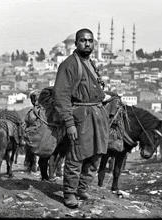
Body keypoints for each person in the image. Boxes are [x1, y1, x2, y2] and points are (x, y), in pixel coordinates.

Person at [53, 28, 109, 208]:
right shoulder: (69, 65)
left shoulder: (91, 64)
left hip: (97, 115)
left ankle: (82, 187)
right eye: (83, 40)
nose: (87, 44)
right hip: (81, 117)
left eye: (90, 41)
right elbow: (61, 95)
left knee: (96, 154)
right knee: (77, 156)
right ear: (76, 43)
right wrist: (69, 123)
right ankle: (69, 192)